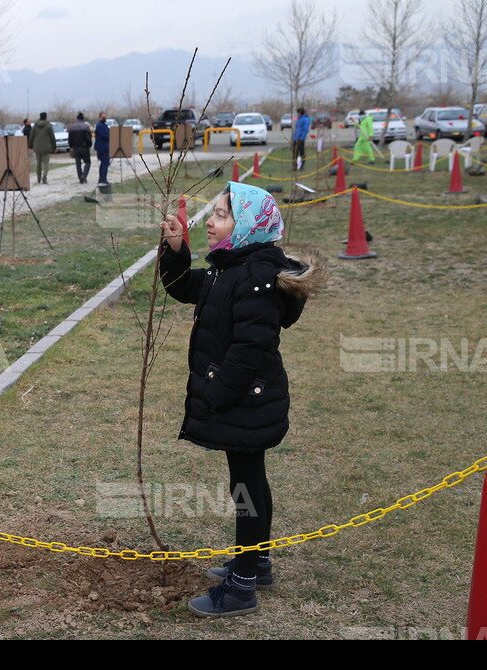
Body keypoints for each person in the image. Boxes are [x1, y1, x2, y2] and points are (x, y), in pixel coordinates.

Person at [158, 182, 327, 617]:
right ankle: (260, 562)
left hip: (246, 399)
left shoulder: (254, 277)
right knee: (250, 481)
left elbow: (250, 350)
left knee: (246, 489)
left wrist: (214, 396)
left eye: (219, 215)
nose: (209, 222)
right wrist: (175, 247)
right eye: (211, 214)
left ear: (247, 225)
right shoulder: (231, 266)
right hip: (244, 399)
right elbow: (182, 287)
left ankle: (242, 587)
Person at [28, 111, 56, 184]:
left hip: (37, 147)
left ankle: (38, 178)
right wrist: (54, 146)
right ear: (46, 117)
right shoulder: (48, 126)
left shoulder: (35, 126)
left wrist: (30, 145)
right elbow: (52, 137)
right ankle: (44, 177)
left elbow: (31, 136)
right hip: (46, 147)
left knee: (38, 163)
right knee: (45, 163)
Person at [67, 112, 93, 184]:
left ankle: (80, 178)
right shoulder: (86, 127)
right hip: (84, 147)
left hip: (76, 148)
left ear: (77, 119)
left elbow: (70, 138)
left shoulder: (72, 127)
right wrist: (89, 145)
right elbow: (88, 138)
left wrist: (71, 146)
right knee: (87, 162)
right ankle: (84, 175)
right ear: (83, 119)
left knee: (78, 164)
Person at [95, 112, 111, 185]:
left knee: (105, 163)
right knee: (104, 163)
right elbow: (103, 135)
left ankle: (102, 177)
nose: (104, 118)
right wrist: (111, 136)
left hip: (106, 147)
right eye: (103, 117)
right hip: (102, 147)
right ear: (100, 117)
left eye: (105, 117)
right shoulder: (99, 126)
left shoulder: (104, 125)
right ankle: (103, 179)